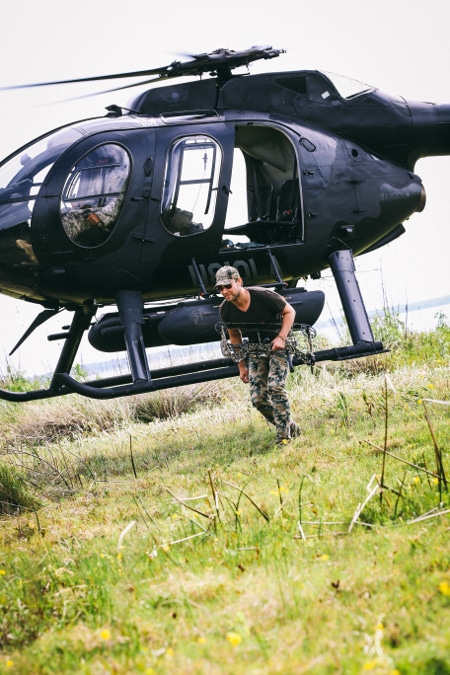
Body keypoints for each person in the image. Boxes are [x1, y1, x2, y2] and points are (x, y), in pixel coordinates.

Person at [216, 265, 301, 446]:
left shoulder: (263, 296)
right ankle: (290, 426)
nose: (224, 291)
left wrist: (281, 338)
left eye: (228, 286)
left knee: (275, 386)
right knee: (258, 399)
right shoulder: (225, 309)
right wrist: (241, 366)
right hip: (255, 349)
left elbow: (289, 312)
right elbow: (235, 335)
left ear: (239, 282)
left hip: (278, 345)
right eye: (220, 288)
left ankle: (284, 437)